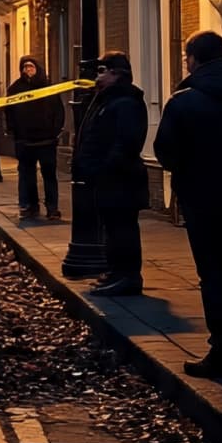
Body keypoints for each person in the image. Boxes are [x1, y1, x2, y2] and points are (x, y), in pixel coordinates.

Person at [153, 30, 222, 381]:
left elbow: (165, 153)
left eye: (186, 57)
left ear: (194, 59)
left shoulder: (184, 102)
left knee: (214, 278)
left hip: (205, 206)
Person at [72, 51, 148, 297]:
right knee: (112, 229)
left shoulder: (125, 102)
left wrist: (103, 168)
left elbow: (126, 142)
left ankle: (127, 277)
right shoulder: (107, 100)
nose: (97, 76)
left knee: (122, 229)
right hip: (109, 179)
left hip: (120, 180)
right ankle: (116, 272)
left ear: (117, 74)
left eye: (102, 71)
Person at [4, 55, 65, 222]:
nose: (27, 70)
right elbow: (9, 111)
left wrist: (55, 131)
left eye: (30, 66)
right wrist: (13, 131)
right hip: (25, 140)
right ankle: (30, 206)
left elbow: (58, 111)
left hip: (46, 140)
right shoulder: (15, 88)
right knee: (26, 175)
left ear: (37, 67)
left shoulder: (47, 87)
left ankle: (52, 208)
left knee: (49, 175)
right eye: (24, 67)